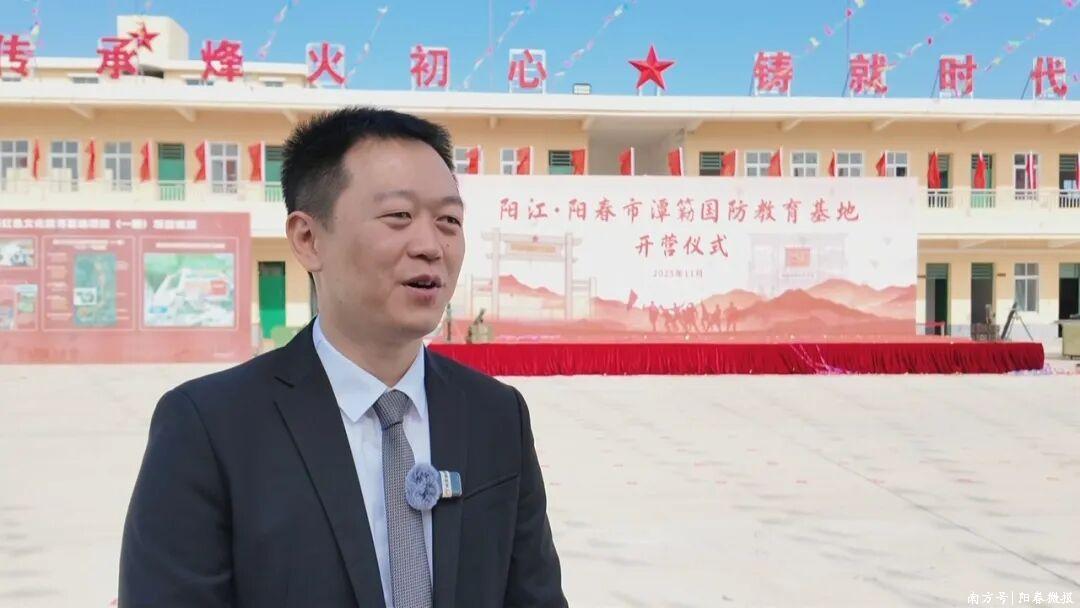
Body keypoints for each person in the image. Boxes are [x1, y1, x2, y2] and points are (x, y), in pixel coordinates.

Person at [119, 107, 566, 608]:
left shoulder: (497, 415)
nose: (430, 246)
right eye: (399, 216)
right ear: (308, 239)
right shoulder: (209, 428)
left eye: (448, 221)